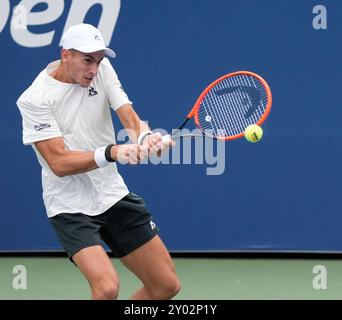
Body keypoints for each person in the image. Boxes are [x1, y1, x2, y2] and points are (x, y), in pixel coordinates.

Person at [16, 23, 181, 300]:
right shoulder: (35, 99)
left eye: (99, 60)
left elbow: (128, 114)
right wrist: (112, 152)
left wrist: (146, 138)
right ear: (66, 54)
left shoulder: (102, 71)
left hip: (111, 193)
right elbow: (58, 163)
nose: (94, 69)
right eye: (87, 60)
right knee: (106, 288)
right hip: (70, 206)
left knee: (165, 286)